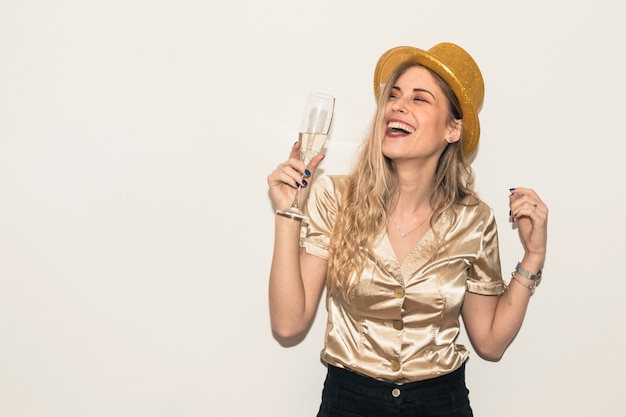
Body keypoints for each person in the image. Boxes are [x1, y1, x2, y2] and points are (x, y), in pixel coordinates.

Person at [267, 42, 548, 417]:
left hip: (440, 404)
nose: (397, 106)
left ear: (452, 129)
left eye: (419, 99)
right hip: (348, 403)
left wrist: (534, 255)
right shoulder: (335, 197)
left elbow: (491, 342)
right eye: (394, 95)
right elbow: (288, 324)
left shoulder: (474, 219)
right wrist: (288, 214)